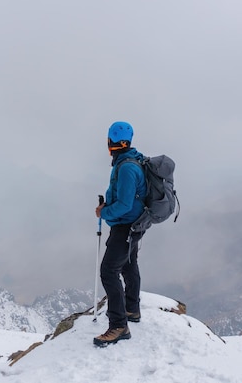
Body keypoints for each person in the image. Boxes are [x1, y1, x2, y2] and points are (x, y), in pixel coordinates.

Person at [93, 121, 147, 347]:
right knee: (128, 264)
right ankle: (131, 309)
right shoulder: (130, 161)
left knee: (108, 271)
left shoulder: (126, 167)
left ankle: (118, 326)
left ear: (110, 141)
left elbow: (124, 204)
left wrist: (104, 211)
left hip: (125, 225)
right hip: (134, 225)